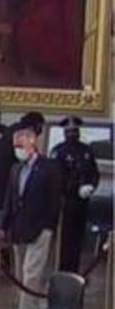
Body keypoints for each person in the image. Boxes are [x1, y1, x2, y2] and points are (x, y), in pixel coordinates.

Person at [1, 117, 62, 309]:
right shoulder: (15, 169)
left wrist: (48, 228)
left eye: (21, 143)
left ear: (32, 141)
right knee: (20, 274)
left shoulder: (49, 168)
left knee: (31, 274)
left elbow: (54, 199)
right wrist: (4, 225)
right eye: (15, 145)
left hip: (40, 228)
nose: (17, 148)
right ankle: (29, 307)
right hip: (18, 228)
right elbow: (9, 199)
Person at [51, 116, 100, 273]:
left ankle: (74, 270)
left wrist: (91, 187)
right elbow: (56, 177)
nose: (73, 134)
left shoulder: (86, 151)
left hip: (82, 202)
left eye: (75, 131)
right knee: (65, 239)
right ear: (65, 133)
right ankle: (63, 270)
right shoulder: (58, 151)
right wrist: (73, 189)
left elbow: (94, 173)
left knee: (79, 239)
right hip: (66, 201)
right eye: (70, 132)